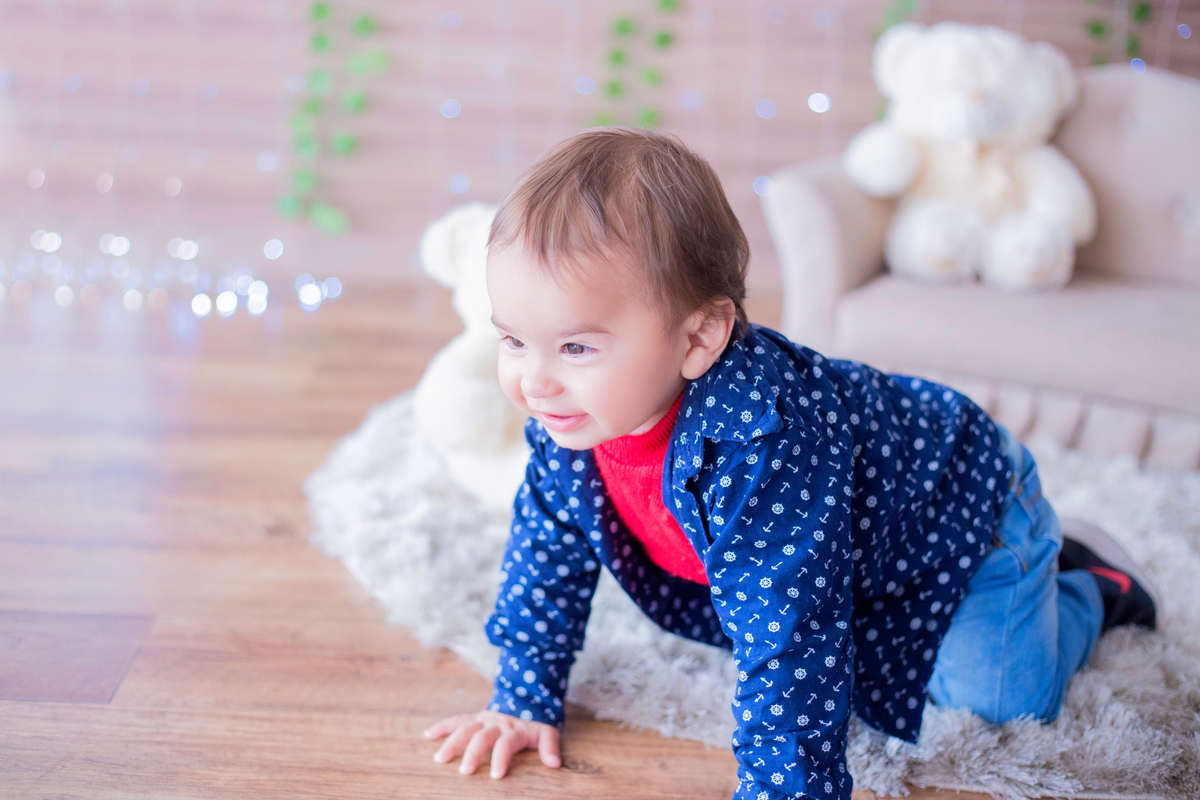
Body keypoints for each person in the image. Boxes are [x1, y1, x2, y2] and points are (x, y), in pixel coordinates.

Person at [422, 128, 1159, 800]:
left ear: (700, 336)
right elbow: (546, 553)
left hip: (961, 504)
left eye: (576, 346)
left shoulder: (763, 445)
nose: (534, 381)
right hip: (857, 540)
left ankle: (1086, 578)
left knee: (1001, 699)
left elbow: (790, 636)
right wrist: (522, 696)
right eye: (513, 341)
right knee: (867, 647)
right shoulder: (570, 414)